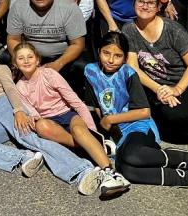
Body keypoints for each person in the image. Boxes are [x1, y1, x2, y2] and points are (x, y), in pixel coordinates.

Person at [84, 32, 188, 196]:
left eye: (118, 55)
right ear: (99, 51)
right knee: (126, 170)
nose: (111, 59)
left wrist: (111, 119)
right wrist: (105, 130)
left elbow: (144, 112)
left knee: (132, 156)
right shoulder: (90, 71)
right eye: (106, 53)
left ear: (125, 57)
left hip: (138, 126)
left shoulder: (128, 73)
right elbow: (98, 106)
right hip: (117, 134)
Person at [0, 37, 103, 195]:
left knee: (29, 138)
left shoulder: (0, 68)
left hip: (4, 104)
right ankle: (23, 157)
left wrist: (18, 110)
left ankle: (82, 170)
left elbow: (10, 89)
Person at [13, 42, 130, 198]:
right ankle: (92, 146)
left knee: (79, 130)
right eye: (21, 58)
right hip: (50, 122)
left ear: (37, 60)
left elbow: (75, 101)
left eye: (30, 57)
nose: (26, 61)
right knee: (41, 126)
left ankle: (110, 172)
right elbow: (34, 115)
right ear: (15, 63)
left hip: (67, 113)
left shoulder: (49, 74)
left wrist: (92, 131)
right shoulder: (20, 87)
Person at [123, 0, 188, 145]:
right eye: (141, 2)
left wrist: (176, 90)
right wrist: (158, 89)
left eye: (150, 3)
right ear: (134, 3)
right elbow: (133, 67)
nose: (145, 6)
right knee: (144, 116)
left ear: (158, 7)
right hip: (159, 84)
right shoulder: (129, 29)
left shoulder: (173, 30)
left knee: (176, 116)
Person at [6, 0, 87, 92]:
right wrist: (20, 57)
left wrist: (59, 63)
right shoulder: (19, 6)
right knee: (4, 58)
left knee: (81, 65)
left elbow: (78, 44)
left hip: (60, 55)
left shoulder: (69, 7)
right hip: (30, 54)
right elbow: (13, 38)